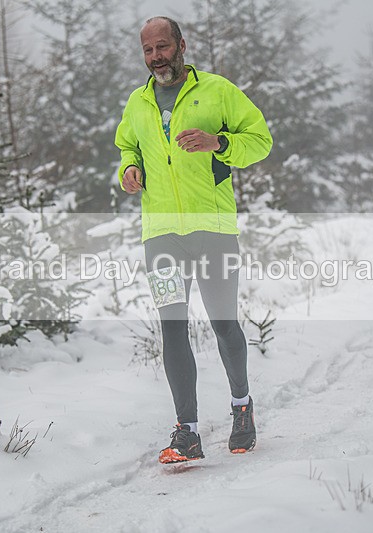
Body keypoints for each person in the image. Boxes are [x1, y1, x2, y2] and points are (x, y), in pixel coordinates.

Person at [115, 16, 273, 464]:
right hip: (162, 237)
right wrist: (128, 170)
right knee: (173, 330)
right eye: (148, 51)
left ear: (182, 45)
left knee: (224, 324)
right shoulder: (138, 103)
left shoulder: (218, 91)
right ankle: (187, 432)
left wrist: (218, 142)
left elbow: (260, 141)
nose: (156, 57)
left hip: (213, 232)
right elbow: (127, 147)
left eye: (162, 47)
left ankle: (242, 408)